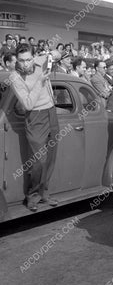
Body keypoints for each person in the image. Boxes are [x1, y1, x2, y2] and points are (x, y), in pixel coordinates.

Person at [10, 44, 60, 211]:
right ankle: (32, 196)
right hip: (35, 117)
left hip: (51, 113)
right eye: (22, 60)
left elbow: (57, 54)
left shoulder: (40, 61)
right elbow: (28, 104)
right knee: (39, 160)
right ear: (17, 60)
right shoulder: (15, 78)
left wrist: (53, 54)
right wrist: (40, 82)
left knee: (51, 158)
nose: (25, 64)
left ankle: (44, 194)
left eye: (28, 59)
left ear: (33, 57)